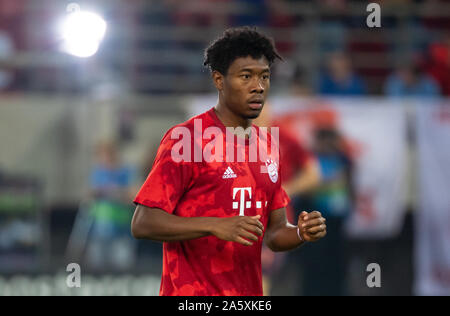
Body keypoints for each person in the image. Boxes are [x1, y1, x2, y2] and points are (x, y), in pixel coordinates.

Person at [131, 26, 327, 296]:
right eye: (246, 76)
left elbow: (274, 231)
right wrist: (214, 224)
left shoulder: (268, 145)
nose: (258, 87)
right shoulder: (187, 140)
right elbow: (143, 222)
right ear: (219, 80)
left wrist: (300, 233)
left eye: (264, 77)